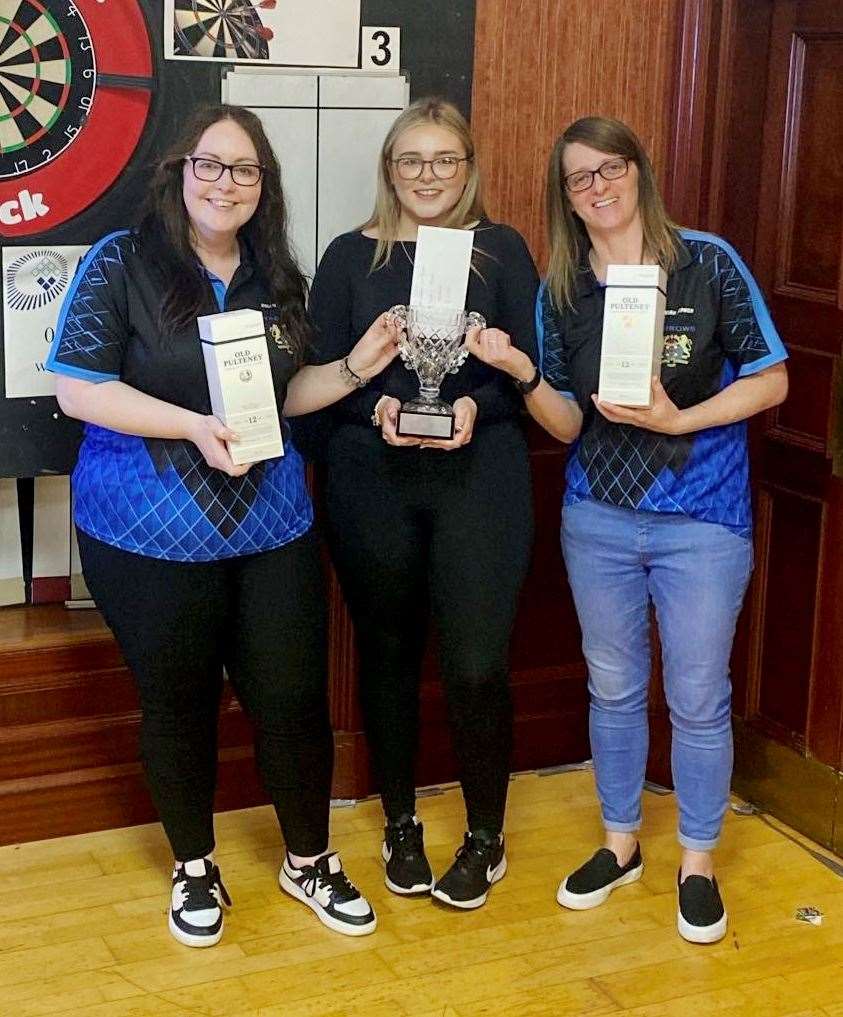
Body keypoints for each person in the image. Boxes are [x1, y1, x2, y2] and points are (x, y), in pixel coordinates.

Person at [47, 104, 401, 946]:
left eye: (245, 171)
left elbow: (279, 397)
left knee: (290, 698)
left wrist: (357, 365)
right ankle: (194, 864)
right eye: (211, 165)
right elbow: (78, 389)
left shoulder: (276, 274)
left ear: (262, 188)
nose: (226, 183)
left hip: (269, 527)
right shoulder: (121, 262)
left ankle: (307, 859)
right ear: (179, 172)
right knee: (178, 702)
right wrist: (194, 426)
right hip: (145, 533)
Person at [464, 115, 788, 943]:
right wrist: (520, 370)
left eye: (611, 168)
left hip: (701, 518)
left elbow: (771, 379)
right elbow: (567, 425)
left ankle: (697, 859)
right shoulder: (561, 291)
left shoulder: (707, 262)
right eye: (580, 178)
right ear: (565, 198)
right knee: (611, 687)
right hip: (598, 521)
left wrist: (683, 420)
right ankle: (619, 844)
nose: (599, 187)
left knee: (697, 696)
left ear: (639, 172)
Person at [308, 97, 540, 909]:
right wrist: (369, 406)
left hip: (482, 480)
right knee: (389, 656)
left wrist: (479, 404)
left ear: (469, 167)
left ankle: (485, 836)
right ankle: (400, 822)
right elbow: (316, 380)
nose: (428, 176)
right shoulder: (347, 257)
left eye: (445, 160)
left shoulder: (502, 250)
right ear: (388, 170)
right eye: (411, 160)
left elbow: (528, 370)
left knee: (476, 665)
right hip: (373, 479)